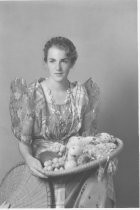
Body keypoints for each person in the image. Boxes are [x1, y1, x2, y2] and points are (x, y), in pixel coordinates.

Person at [0, 36, 117, 208]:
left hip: (75, 158)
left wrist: (101, 155)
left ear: (72, 63)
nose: (58, 67)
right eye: (52, 60)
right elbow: (24, 143)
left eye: (64, 61)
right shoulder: (33, 95)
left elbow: (87, 139)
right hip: (46, 162)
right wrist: (29, 159)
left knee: (103, 174)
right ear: (45, 62)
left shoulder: (81, 95)